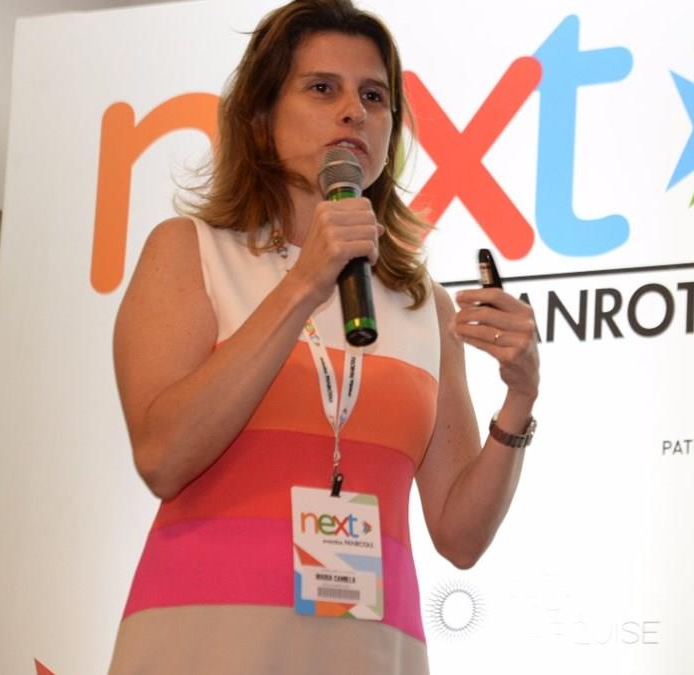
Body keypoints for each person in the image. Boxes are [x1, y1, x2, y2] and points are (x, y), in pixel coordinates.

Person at [107, 1, 539, 672]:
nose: (352, 112)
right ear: (260, 118)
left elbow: (460, 536)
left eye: (374, 96)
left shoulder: (422, 304)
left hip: (370, 652)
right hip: (204, 644)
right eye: (321, 88)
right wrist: (306, 281)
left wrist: (519, 398)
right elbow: (163, 455)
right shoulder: (192, 251)